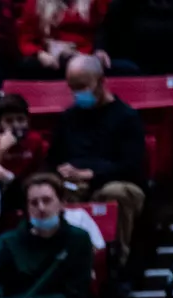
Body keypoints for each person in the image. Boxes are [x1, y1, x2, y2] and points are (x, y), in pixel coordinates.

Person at [50, 54, 145, 262]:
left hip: (118, 184)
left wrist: (89, 174)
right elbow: (52, 161)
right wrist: (62, 173)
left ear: (102, 82)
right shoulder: (67, 118)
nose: (77, 93)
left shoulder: (126, 117)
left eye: (82, 86)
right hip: (73, 186)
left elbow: (132, 167)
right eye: (72, 87)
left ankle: (117, 262)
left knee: (115, 192)